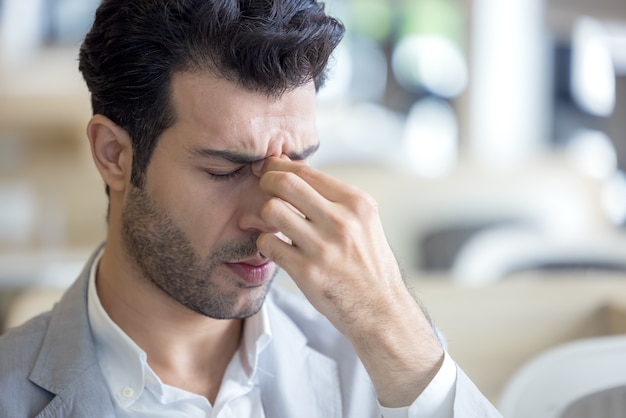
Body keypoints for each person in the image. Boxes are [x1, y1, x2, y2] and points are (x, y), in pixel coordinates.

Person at [0, 0, 502, 416]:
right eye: (225, 170)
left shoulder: (378, 358)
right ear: (114, 155)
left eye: (297, 166)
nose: (271, 215)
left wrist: (396, 334)